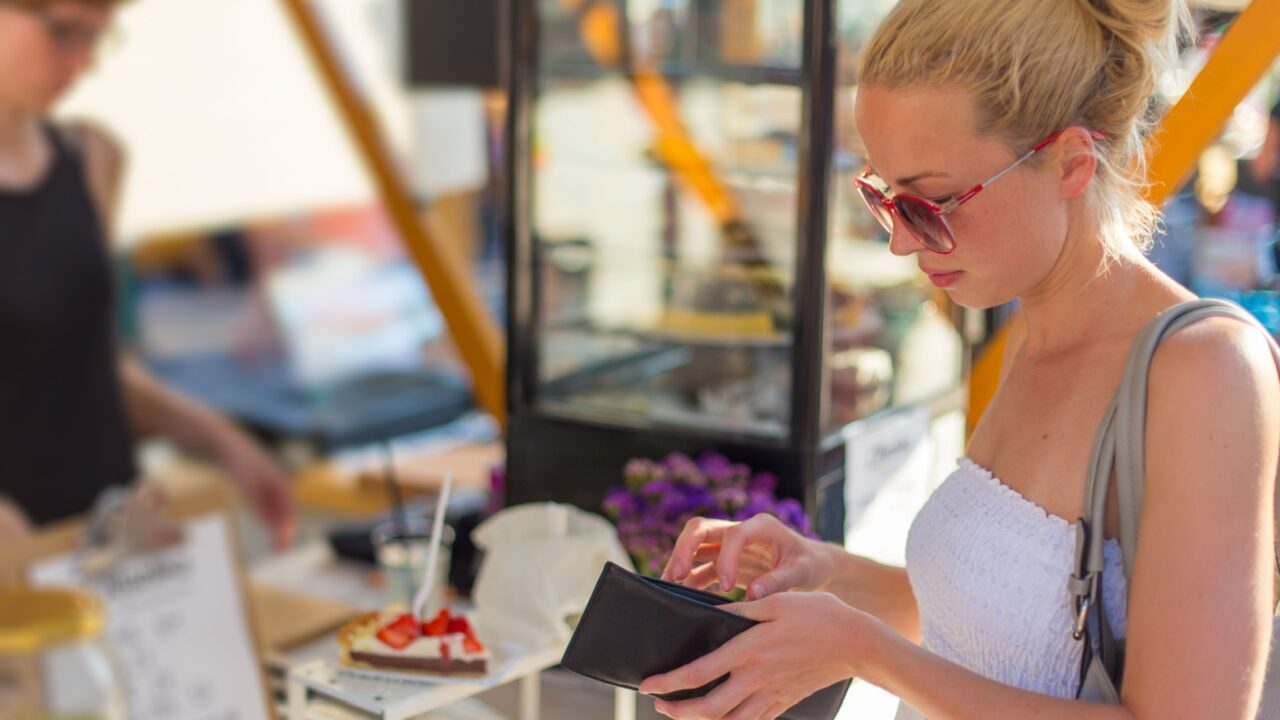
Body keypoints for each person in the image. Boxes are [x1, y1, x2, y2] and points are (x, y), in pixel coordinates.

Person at [641, 1, 1279, 718]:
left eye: (934, 203)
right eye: (883, 200)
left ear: (1070, 161)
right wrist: (823, 571)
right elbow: (994, 626)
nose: (901, 244)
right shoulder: (1031, 330)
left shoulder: (1204, 369)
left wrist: (863, 650)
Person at [0, 0, 295, 547]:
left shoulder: (92, 156)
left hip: (112, 540)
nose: (83, 62)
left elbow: (88, 365)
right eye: (64, 32)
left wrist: (222, 439)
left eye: (99, 36)